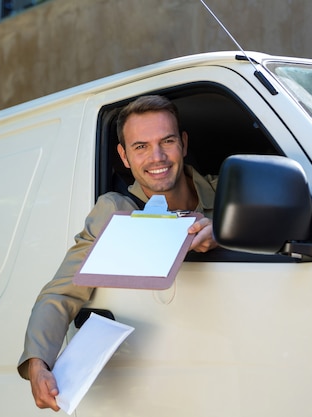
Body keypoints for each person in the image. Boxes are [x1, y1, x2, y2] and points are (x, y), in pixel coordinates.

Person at [17, 95, 218, 411]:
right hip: (153, 384)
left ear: (183, 143)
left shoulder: (228, 195)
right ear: (124, 156)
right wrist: (38, 362)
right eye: (140, 147)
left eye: (166, 141)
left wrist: (223, 233)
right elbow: (61, 293)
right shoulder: (116, 212)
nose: (157, 156)